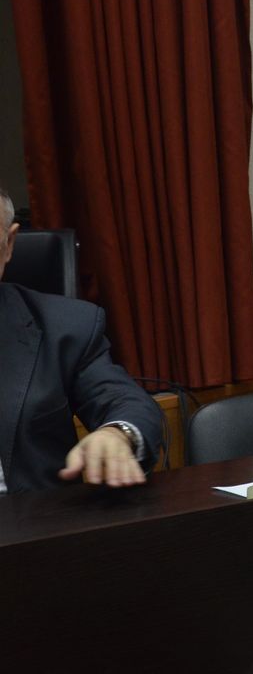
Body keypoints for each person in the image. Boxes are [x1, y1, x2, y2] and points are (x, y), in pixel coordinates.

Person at [0, 185, 163, 493]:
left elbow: (126, 402)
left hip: (31, 519)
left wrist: (116, 434)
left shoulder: (64, 326)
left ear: (9, 244)